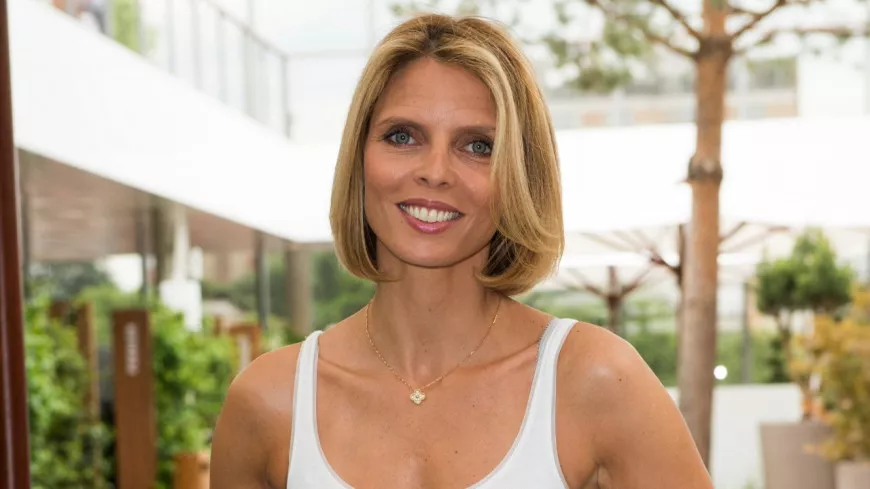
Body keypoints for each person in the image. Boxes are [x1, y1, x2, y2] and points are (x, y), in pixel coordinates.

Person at [210, 13, 713, 489]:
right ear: (359, 157)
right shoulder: (269, 401)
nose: (435, 172)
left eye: (477, 146)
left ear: (520, 175)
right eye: (402, 136)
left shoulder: (594, 380)